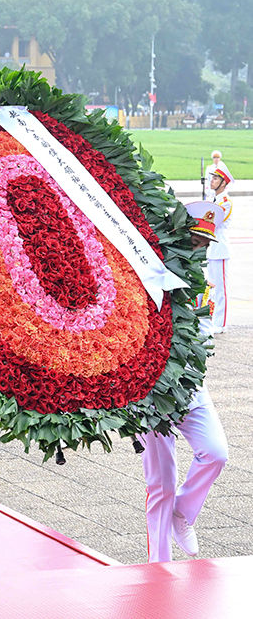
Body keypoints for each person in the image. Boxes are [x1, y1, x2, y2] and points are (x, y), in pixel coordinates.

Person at [140, 200, 229, 563]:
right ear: (178, 235)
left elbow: (204, 330)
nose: (200, 249)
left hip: (190, 385)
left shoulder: (201, 282)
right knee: (160, 482)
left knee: (216, 452)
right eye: (195, 241)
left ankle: (183, 513)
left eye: (205, 244)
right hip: (153, 391)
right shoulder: (153, 271)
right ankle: (158, 566)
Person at [203, 166, 233, 334]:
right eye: (212, 178)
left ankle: (221, 323)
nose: (212, 181)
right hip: (212, 249)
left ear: (223, 183)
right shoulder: (213, 200)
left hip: (220, 248)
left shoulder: (225, 202)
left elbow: (213, 222)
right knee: (212, 288)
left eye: (215, 179)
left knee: (221, 289)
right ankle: (213, 319)